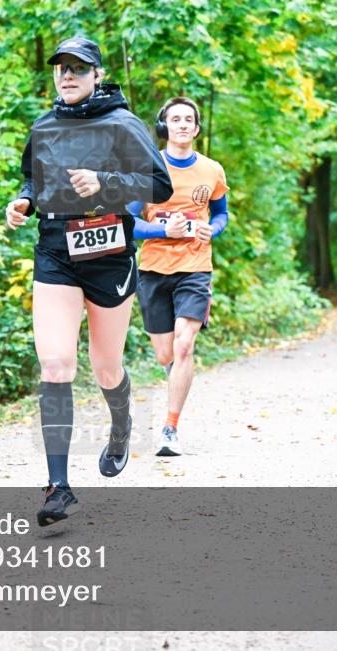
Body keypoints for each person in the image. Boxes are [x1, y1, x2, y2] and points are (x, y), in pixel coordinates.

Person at [5, 37, 173, 526]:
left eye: (78, 68)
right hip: (55, 250)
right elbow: (32, 180)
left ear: (98, 75)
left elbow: (160, 185)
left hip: (108, 253)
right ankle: (58, 487)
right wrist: (24, 201)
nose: (67, 75)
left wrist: (106, 182)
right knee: (56, 363)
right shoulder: (44, 125)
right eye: (60, 68)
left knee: (105, 366)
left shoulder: (122, 123)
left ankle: (120, 424)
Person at [126, 96, 229, 457]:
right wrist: (161, 230)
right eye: (175, 119)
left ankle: (170, 428)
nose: (182, 124)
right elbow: (128, 223)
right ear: (164, 126)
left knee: (185, 345)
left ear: (196, 128)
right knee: (165, 354)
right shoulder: (146, 168)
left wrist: (213, 229)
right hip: (154, 269)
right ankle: (178, 379)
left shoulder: (212, 170)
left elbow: (221, 214)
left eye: (188, 119)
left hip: (195, 267)